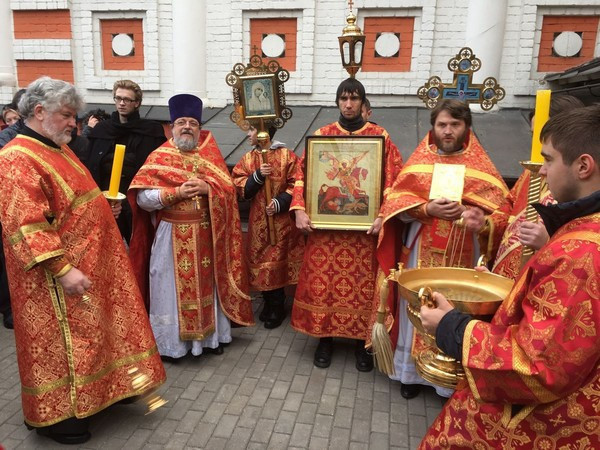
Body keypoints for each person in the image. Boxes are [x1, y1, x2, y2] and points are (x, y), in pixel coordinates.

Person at [418, 104, 600, 449]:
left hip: (542, 423)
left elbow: (536, 366)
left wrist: (451, 326)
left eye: (548, 159)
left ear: (583, 166)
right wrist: (487, 228)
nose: (540, 170)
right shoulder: (583, 228)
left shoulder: (582, 253)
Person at [0, 77, 165, 445]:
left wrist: (104, 205)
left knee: (96, 335)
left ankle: (104, 394)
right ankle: (59, 417)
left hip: (91, 267)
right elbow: (25, 224)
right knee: (64, 347)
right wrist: (62, 269)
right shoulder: (16, 158)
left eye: (74, 116)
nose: (74, 124)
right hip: (56, 281)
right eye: (66, 115)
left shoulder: (56, 148)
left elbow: (72, 200)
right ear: (39, 112)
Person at [376, 99, 508, 399]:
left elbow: (503, 215)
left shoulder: (482, 168)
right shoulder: (419, 163)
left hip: (464, 253)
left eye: (455, 125)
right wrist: (426, 208)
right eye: (442, 124)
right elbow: (395, 205)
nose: (448, 131)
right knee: (416, 306)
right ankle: (410, 373)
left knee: (457, 307)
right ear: (433, 127)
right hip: (421, 248)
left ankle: (447, 381)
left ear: (467, 128)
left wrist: (481, 221)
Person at [128, 93, 254, 361]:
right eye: (182, 122)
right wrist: (175, 193)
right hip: (170, 236)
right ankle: (173, 346)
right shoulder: (159, 157)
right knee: (168, 292)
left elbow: (228, 192)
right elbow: (142, 199)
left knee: (208, 288)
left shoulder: (210, 155)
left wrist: (209, 189)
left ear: (199, 127)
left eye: (193, 123)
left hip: (207, 234)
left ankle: (208, 340)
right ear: (172, 127)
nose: (187, 127)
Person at [290, 77, 403, 372]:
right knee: (324, 285)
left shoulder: (380, 137)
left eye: (354, 99)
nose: (349, 104)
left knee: (361, 288)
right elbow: (302, 176)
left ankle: (359, 344)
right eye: (344, 98)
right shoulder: (322, 135)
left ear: (362, 103)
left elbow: (393, 180)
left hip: (362, 233)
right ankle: (324, 339)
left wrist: (383, 214)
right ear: (338, 102)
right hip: (325, 232)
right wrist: (299, 209)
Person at [465, 94, 585, 280]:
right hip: (507, 278)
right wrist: (486, 224)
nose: (537, 145)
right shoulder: (532, 173)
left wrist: (547, 242)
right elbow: (510, 209)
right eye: (533, 135)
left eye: (543, 136)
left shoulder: (582, 185)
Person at [232, 125, 305, 329]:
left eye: (252, 130)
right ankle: (267, 301)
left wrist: (280, 202)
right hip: (258, 220)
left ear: (264, 131)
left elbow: (298, 183)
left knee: (276, 261)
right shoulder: (248, 158)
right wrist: (256, 177)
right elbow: (237, 182)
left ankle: (277, 306)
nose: (249, 134)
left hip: (281, 223)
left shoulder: (286, 156)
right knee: (259, 261)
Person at [86, 80, 166, 243]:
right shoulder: (102, 130)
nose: (122, 103)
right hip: (106, 199)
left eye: (127, 99)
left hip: (137, 200)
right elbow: (91, 166)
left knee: (138, 245)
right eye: (118, 98)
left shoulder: (151, 131)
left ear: (137, 103)